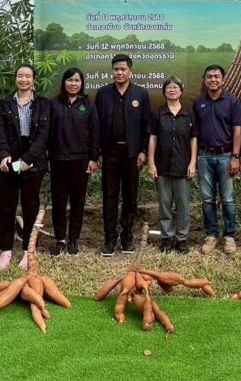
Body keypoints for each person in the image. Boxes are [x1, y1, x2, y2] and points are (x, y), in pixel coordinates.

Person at [0, 63, 51, 270]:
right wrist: (4, 154)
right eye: (20, 76)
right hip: (9, 160)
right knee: (7, 206)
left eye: (28, 76)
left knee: (30, 207)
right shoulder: (5, 103)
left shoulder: (43, 104)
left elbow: (44, 135)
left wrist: (28, 159)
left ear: (34, 79)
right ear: (15, 78)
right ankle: (6, 250)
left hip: (33, 161)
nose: (24, 79)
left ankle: (28, 251)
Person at [94, 54, 151, 256]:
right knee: (109, 196)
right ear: (112, 71)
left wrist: (143, 151)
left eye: (123, 69)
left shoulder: (141, 94)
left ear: (130, 71)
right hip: (109, 152)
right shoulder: (103, 93)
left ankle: (127, 236)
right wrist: (98, 152)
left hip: (131, 153)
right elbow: (96, 125)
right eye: (116, 69)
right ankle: (109, 238)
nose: (119, 73)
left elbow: (146, 125)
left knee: (130, 196)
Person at [48, 67, 100, 256]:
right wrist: (47, 156)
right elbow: (46, 132)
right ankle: (60, 240)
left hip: (81, 161)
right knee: (59, 202)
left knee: (78, 202)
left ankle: (73, 240)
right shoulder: (53, 104)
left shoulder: (88, 105)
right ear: (64, 83)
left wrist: (93, 158)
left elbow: (95, 132)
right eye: (70, 80)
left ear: (82, 83)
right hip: (58, 160)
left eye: (77, 80)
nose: (73, 83)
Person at [194, 64, 241, 255]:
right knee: (207, 199)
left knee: (228, 199)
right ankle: (211, 235)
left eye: (216, 76)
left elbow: (237, 130)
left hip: (226, 156)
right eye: (209, 76)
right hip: (204, 155)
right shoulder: (199, 103)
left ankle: (229, 236)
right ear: (205, 80)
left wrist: (235, 156)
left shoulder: (232, 101)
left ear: (223, 80)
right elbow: (195, 133)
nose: (213, 80)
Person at [148, 77, 197, 254]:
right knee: (164, 204)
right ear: (164, 92)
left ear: (181, 91)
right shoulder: (158, 113)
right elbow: (153, 138)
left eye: (176, 87)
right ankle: (166, 237)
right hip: (162, 166)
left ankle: (182, 238)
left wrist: (193, 163)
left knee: (183, 205)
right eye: (169, 87)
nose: (172, 90)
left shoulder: (189, 114)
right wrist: (151, 163)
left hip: (183, 166)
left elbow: (193, 139)